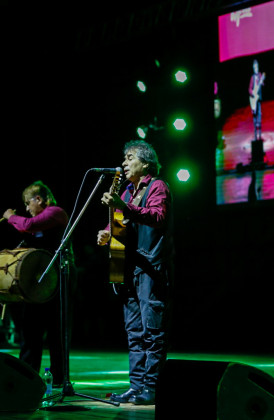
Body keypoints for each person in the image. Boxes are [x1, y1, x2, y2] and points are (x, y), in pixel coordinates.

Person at [97, 140, 174, 406]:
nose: (124, 163)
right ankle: (136, 385)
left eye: (130, 158)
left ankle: (152, 388)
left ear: (145, 163)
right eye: (124, 158)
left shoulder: (157, 186)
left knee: (153, 332)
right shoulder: (128, 192)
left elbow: (158, 216)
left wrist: (122, 205)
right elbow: (123, 227)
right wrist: (108, 234)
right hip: (129, 270)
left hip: (150, 269)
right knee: (134, 333)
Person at [3, 180, 72, 386]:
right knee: (31, 329)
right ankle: (27, 377)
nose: (26, 208)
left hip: (59, 279)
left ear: (39, 199)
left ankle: (60, 380)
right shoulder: (41, 222)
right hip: (40, 282)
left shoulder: (55, 213)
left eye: (28, 203)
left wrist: (10, 217)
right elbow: (28, 230)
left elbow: (28, 225)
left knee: (56, 332)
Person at [249, 58, 265, 142]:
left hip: (259, 100)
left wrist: (262, 81)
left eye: (257, 67)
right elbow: (249, 89)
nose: (256, 68)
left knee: (260, 116)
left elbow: (262, 84)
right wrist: (253, 94)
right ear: (253, 68)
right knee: (255, 118)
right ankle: (255, 136)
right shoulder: (252, 77)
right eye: (255, 67)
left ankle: (260, 135)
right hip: (254, 100)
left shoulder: (259, 75)